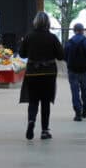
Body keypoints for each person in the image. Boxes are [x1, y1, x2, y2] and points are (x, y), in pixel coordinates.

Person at [19, 12, 64, 140]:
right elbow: (61, 55)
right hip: (49, 73)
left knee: (33, 101)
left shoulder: (29, 37)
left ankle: (31, 121)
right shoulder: (52, 37)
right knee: (45, 102)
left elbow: (22, 54)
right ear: (47, 23)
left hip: (33, 72)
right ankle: (44, 130)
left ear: (35, 22)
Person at [64, 23, 86, 121]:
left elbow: (65, 56)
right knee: (85, 91)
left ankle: (77, 112)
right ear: (83, 30)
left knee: (75, 92)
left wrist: (70, 66)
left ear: (74, 31)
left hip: (73, 71)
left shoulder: (69, 43)